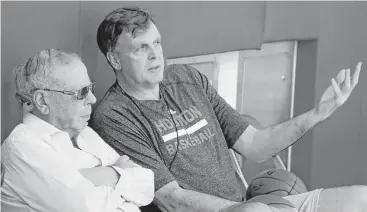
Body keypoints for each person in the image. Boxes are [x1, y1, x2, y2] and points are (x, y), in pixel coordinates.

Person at [90, 6, 367, 212]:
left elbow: (256, 144)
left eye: (157, 43)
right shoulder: (114, 116)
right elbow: (171, 199)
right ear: (115, 59)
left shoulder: (186, 79)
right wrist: (244, 210)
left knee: (359, 199)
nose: (155, 54)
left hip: (248, 206)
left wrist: (317, 114)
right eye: (141, 48)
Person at [1, 49, 155, 212]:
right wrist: (116, 172)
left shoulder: (85, 133)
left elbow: (146, 186)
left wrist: (96, 178)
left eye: (91, 88)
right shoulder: (23, 146)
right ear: (42, 101)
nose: (93, 99)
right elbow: (85, 207)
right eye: (82, 92)